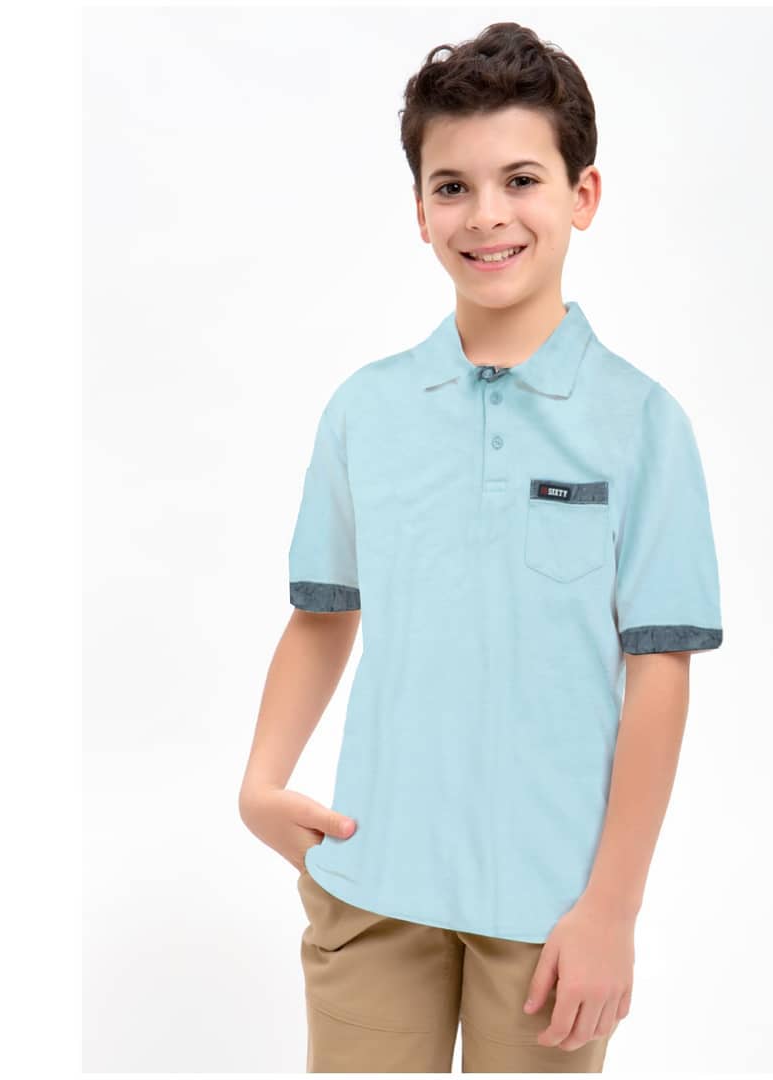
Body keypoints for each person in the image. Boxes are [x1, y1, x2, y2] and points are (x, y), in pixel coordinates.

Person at [238, 20, 723, 1073]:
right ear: (420, 211)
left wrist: (612, 909)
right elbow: (323, 615)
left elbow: (660, 673)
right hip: (370, 884)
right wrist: (261, 784)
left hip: (553, 914)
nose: (486, 214)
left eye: (521, 180)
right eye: (452, 186)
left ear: (582, 195)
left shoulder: (644, 425)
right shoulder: (365, 410)